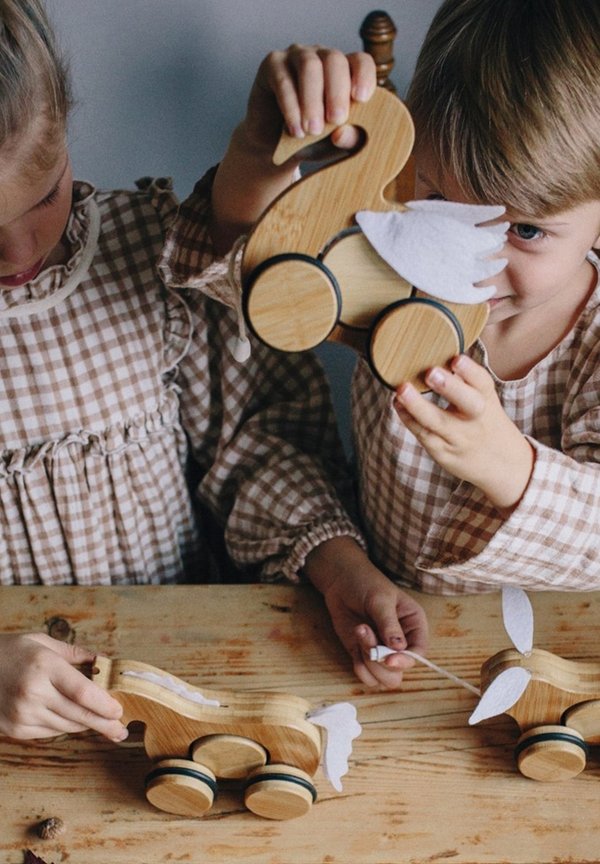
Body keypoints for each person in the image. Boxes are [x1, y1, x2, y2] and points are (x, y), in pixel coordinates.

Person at [0, 1, 429, 742]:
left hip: (186, 692)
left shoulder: (144, 256)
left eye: (43, 196)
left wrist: (336, 565)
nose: (17, 251)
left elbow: (252, 445)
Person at [203, 0, 600, 663]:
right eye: (441, 203)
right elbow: (252, 282)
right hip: (382, 626)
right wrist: (257, 149)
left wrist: (511, 469)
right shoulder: (393, 261)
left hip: (552, 653)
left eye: (526, 230)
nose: (476, 261)